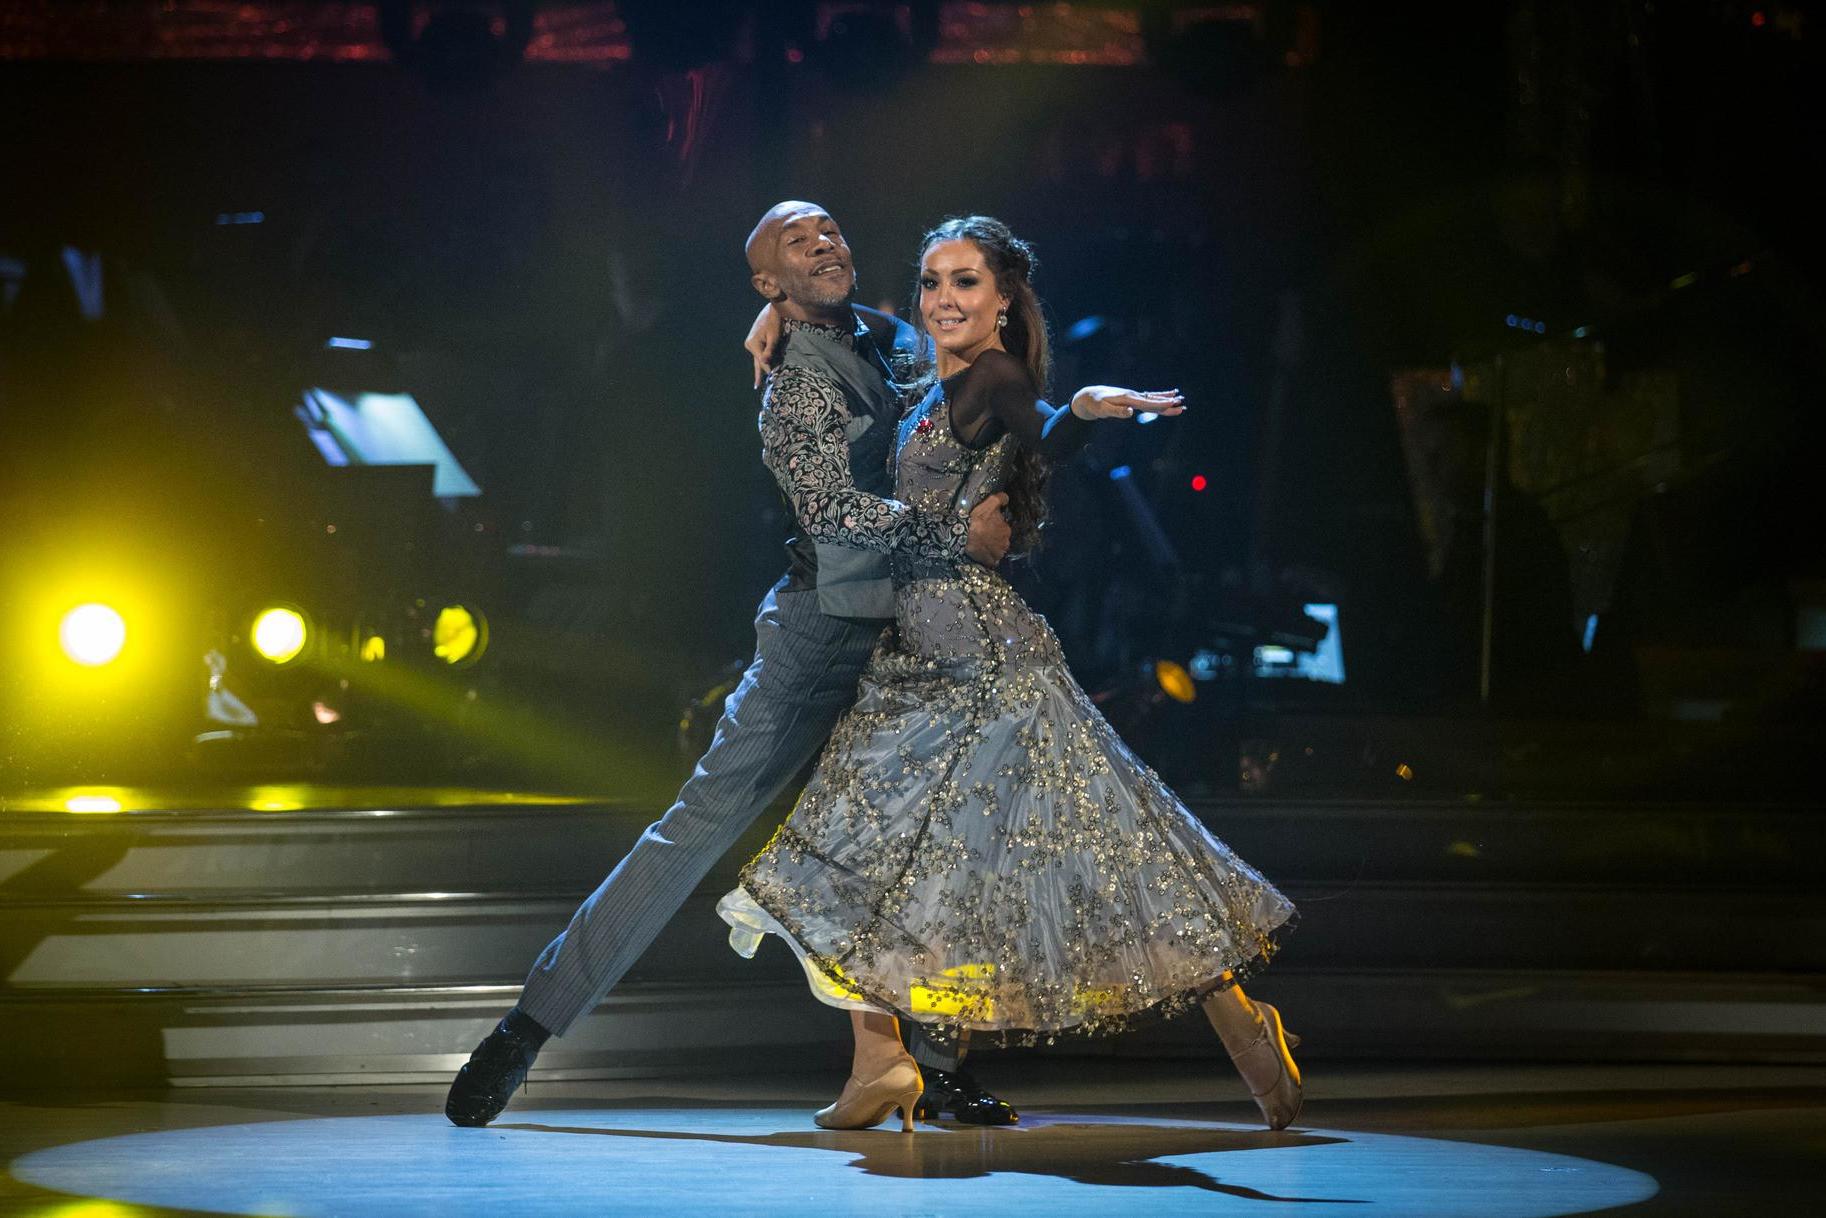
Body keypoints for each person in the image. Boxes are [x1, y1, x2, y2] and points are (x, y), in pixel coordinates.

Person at [718, 216, 1302, 1134]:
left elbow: (1039, 429)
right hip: (911, 657)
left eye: (967, 284)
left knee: (1101, 847)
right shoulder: (927, 371)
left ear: (1004, 301)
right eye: (933, 284)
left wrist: (1083, 410)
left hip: (981, 661)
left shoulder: (992, 374)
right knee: (865, 848)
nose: (945, 300)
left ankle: (1236, 1016)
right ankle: (878, 1062)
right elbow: (858, 321)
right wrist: (781, 322)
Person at [444, 201, 1017, 1128]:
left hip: (917, 627)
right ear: (767, 282)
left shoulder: (891, 335)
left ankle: (939, 1064)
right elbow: (833, 514)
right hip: (823, 628)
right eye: (799, 244)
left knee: (930, 841)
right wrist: (958, 527)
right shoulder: (792, 379)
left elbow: (962, 355)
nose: (824, 244)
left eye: (830, 231)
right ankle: (527, 1027)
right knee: (701, 822)